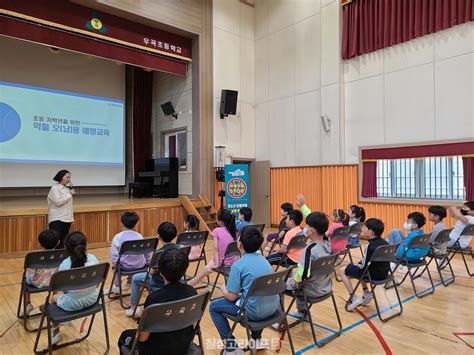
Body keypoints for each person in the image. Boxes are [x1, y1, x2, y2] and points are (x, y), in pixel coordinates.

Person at [209, 228, 279, 354]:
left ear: (239, 244)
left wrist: (224, 289)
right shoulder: (264, 260)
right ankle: (256, 340)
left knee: (213, 307)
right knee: (255, 299)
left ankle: (231, 347)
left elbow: (231, 297)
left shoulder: (238, 265)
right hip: (273, 308)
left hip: (253, 313)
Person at [118, 249, 197, 355]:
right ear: (185, 270)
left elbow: (142, 338)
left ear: (160, 271)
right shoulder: (192, 292)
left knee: (124, 336)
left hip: (155, 350)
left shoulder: (154, 299)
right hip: (182, 346)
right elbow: (194, 325)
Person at [50, 232, 99, 344]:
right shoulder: (93, 258)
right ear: (85, 245)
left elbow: (62, 288)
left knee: (53, 298)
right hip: (93, 299)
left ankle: (56, 333)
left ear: (66, 247)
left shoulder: (65, 264)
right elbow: (97, 283)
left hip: (71, 305)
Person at [284, 212, 331, 320]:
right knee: (298, 278)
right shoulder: (327, 243)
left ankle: (279, 320)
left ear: (312, 230)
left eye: (306, 226)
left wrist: (295, 280)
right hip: (325, 286)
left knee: (279, 285)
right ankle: (302, 311)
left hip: (311, 290)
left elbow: (304, 273)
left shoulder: (310, 250)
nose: (304, 228)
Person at [126, 222, 180, 317]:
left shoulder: (159, 253)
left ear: (159, 236)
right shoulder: (179, 248)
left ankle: (133, 308)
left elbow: (151, 272)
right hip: (176, 278)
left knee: (135, 278)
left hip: (159, 281)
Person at [339, 218, 390, 311]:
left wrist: (354, 266)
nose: (363, 229)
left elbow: (363, 268)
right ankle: (366, 292)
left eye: (365, 228)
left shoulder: (369, 246)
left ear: (370, 232)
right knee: (360, 265)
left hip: (371, 275)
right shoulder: (386, 243)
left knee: (342, 270)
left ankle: (353, 298)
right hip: (384, 274)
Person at [188, 209, 237, 287]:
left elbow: (216, 249)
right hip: (233, 262)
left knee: (199, 276)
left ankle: (187, 286)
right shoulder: (234, 231)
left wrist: (217, 264)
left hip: (220, 262)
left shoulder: (216, 231)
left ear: (220, 222)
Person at [110, 211, 149, 295]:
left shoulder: (118, 237)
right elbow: (146, 252)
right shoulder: (139, 235)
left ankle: (117, 286)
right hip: (140, 265)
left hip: (125, 267)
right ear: (135, 224)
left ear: (121, 223)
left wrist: (115, 266)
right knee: (134, 259)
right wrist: (148, 262)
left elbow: (114, 256)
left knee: (115, 266)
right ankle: (130, 282)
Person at [23, 230, 60, 316]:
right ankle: (52, 302)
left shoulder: (34, 256)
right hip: (55, 283)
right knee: (56, 277)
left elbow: (29, 276)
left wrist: (28, 279)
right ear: (58, 242)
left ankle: (27, 304)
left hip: (37, 283)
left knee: (25, 282)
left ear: (40, 243)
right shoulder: (61, 254)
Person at [47, 170, 75, 248]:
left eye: (70, 178)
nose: (69, 179)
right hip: (57, 219)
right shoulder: (55, 188)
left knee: (63, 242)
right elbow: (58, 202)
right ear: (61, 177)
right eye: (67, 177)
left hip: (66, 219)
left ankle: (61, 257)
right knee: (55, 241)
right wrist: (70, 194)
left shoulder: (66, 189)